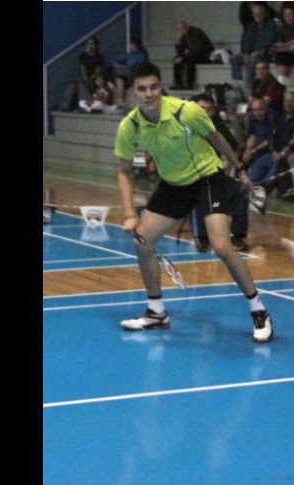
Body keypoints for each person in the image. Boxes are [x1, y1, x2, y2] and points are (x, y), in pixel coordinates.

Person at [113, 62, 273, 342]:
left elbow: (216, 137)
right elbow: (124, 171)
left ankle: (258, 310)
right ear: (133, 92)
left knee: (221, 246)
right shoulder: (131, 126)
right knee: (142, 242)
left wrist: (239, 168)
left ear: (161, 87)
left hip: (206, 178)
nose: (149, 94)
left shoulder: (185, 111)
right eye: (142, 89)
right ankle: (156, 313)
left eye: (153, 87)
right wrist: (129, 213)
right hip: (173, 184)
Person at [188, 93, 250, 253]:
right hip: (190, 177)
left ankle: (237, 236)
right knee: (198, 195)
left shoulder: (217, 126)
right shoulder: (184, 127)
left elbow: (234, 148)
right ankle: (201, 238)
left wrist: (229, 170)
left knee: (240, 191)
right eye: (202, 108)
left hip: (215, 175)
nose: (206, 112)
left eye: (210, 109)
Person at [172, 20, 214, 90]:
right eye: (179, 30)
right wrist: (178, 43)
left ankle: (189, 84)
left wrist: (183, 58)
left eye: (182, 29)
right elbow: (180, 52)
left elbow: (196, 50)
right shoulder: (184, 36)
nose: (180, 31)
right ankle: (178, 83)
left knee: (190, 60)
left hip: (204, 55)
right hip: (193, 55)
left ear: (186, 27)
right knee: (176, 59)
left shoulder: (195, 33)